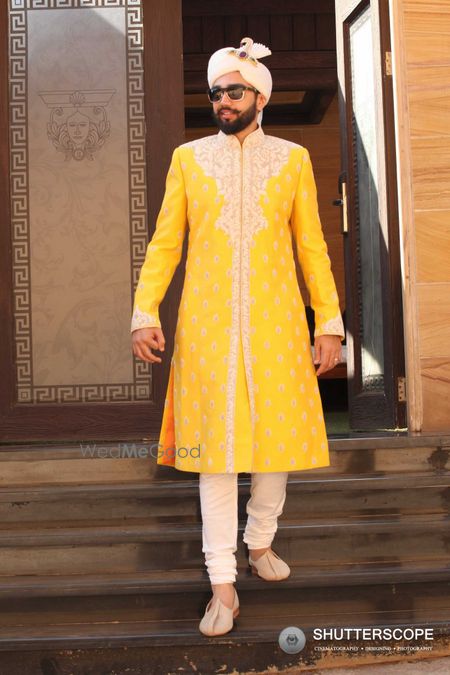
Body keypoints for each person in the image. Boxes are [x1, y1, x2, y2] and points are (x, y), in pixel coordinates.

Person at [131, 37, 345, 637]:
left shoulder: (294, 159)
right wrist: (145, 310)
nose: (222, 101)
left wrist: (328, 322)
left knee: (273, 448)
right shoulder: (189, 159)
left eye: (233, 91)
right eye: (216, 92)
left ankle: (260, 541)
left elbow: (312, 249)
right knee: (216, 459)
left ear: (260, 97)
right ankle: (222, 582)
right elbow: (165, 244)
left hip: (278, 327)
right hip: (207, 330)